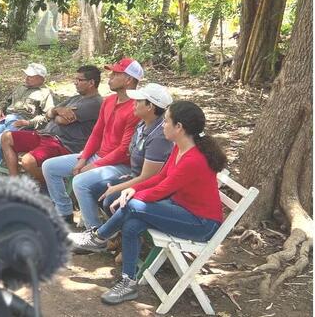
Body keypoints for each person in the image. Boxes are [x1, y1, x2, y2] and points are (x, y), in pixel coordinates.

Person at [69, 100, 226, 306]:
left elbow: (163, 190)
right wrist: (132, 189)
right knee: (132, 224)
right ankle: (128, 282)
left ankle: (99, 237)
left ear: (179, 127)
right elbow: (161, 178)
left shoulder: (193, 159)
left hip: (201, 224)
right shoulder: (180, 148)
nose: (163, 125)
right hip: (181, 210)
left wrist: (131, 197)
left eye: (167, 121)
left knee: (133, 206)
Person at [41, 57, 143, 226]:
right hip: (98, 156)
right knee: (50, 166)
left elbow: (124, 149)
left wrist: (94, 165)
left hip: (120, 164)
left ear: (129, 79)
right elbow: (96, 133)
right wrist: (83, 159)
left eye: (116, 73)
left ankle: (95, 232)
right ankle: (64, 212)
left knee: (80, 181)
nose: (110, 77)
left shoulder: (136, 108)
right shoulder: (109, 101)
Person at [71, 83, 173, 230]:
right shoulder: (142, 125)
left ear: (150, 106)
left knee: (110, 198)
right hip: (133, 175)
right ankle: (101, 232)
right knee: (96, 188)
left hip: (148, 183)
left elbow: (148, 177)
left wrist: (119, 186)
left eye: (138, 101)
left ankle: (110, 235)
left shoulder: (159, 136)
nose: (134, 104)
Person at [0, 65, 103, 183]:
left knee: (28, 161)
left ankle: (48, 184)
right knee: (7, 137)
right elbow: (49, 113)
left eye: (79, 80)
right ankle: (15, 182)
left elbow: (61, 120)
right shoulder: (76, 98)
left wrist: (57, 113)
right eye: (75, 79)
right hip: (45, 135)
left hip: (63, 143)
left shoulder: (95, 103)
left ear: (91, 83)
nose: (75, 83)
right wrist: (57, 110)